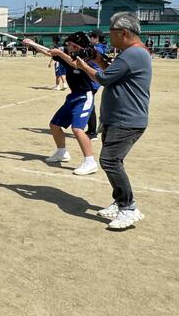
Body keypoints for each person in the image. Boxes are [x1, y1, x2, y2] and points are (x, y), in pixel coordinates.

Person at [74, 12, 152, 230]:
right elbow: (112, 74)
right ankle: (120, 202)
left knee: (110, 161)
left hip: (126, 119)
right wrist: (98, 61)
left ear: (123, 33)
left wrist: (83, 66)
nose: (110, 38)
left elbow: (103, 78)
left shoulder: (133, 54)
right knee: (114, 161)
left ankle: (129, 208)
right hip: (118, 118)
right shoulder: (131, 53)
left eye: (112, 33)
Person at [23, 32, 99, 176]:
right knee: (54, 125)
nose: (66, 45)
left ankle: (90, 162)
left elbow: (75, 63)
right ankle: (61, 152)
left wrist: (60, 53)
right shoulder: (66, 55)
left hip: (84, 96)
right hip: (73, 96)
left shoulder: (86, 57)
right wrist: (32, 44)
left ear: (76, 46)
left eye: (69, 44)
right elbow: (49, 52)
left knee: (77, 129)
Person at [85, 28, 108, 140]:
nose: (90, 39)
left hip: (94, 79)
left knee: (89, 103)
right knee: (88, 102)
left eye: (91, 37)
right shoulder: (94, 47)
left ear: (97, 38)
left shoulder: (99, 48)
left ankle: (92, 131)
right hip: (90, 78)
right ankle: (91, 129)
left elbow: (94, 53)